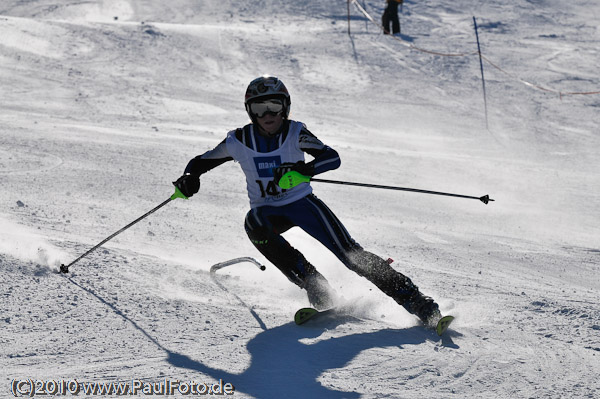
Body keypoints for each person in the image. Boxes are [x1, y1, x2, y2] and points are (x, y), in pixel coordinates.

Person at [173, 75, 442, 327]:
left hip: (303, 205)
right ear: (249, 111)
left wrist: (305, 170)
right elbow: (200, 162)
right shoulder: (239, 140)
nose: (267, 115)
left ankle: (417, 302)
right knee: (254, 223)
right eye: (259, 108)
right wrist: (189, 177)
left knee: (351, 255)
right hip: (268, 213)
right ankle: (316, 286)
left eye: (273, 106)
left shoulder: (295, 132)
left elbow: (332, 157)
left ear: (285, 107)